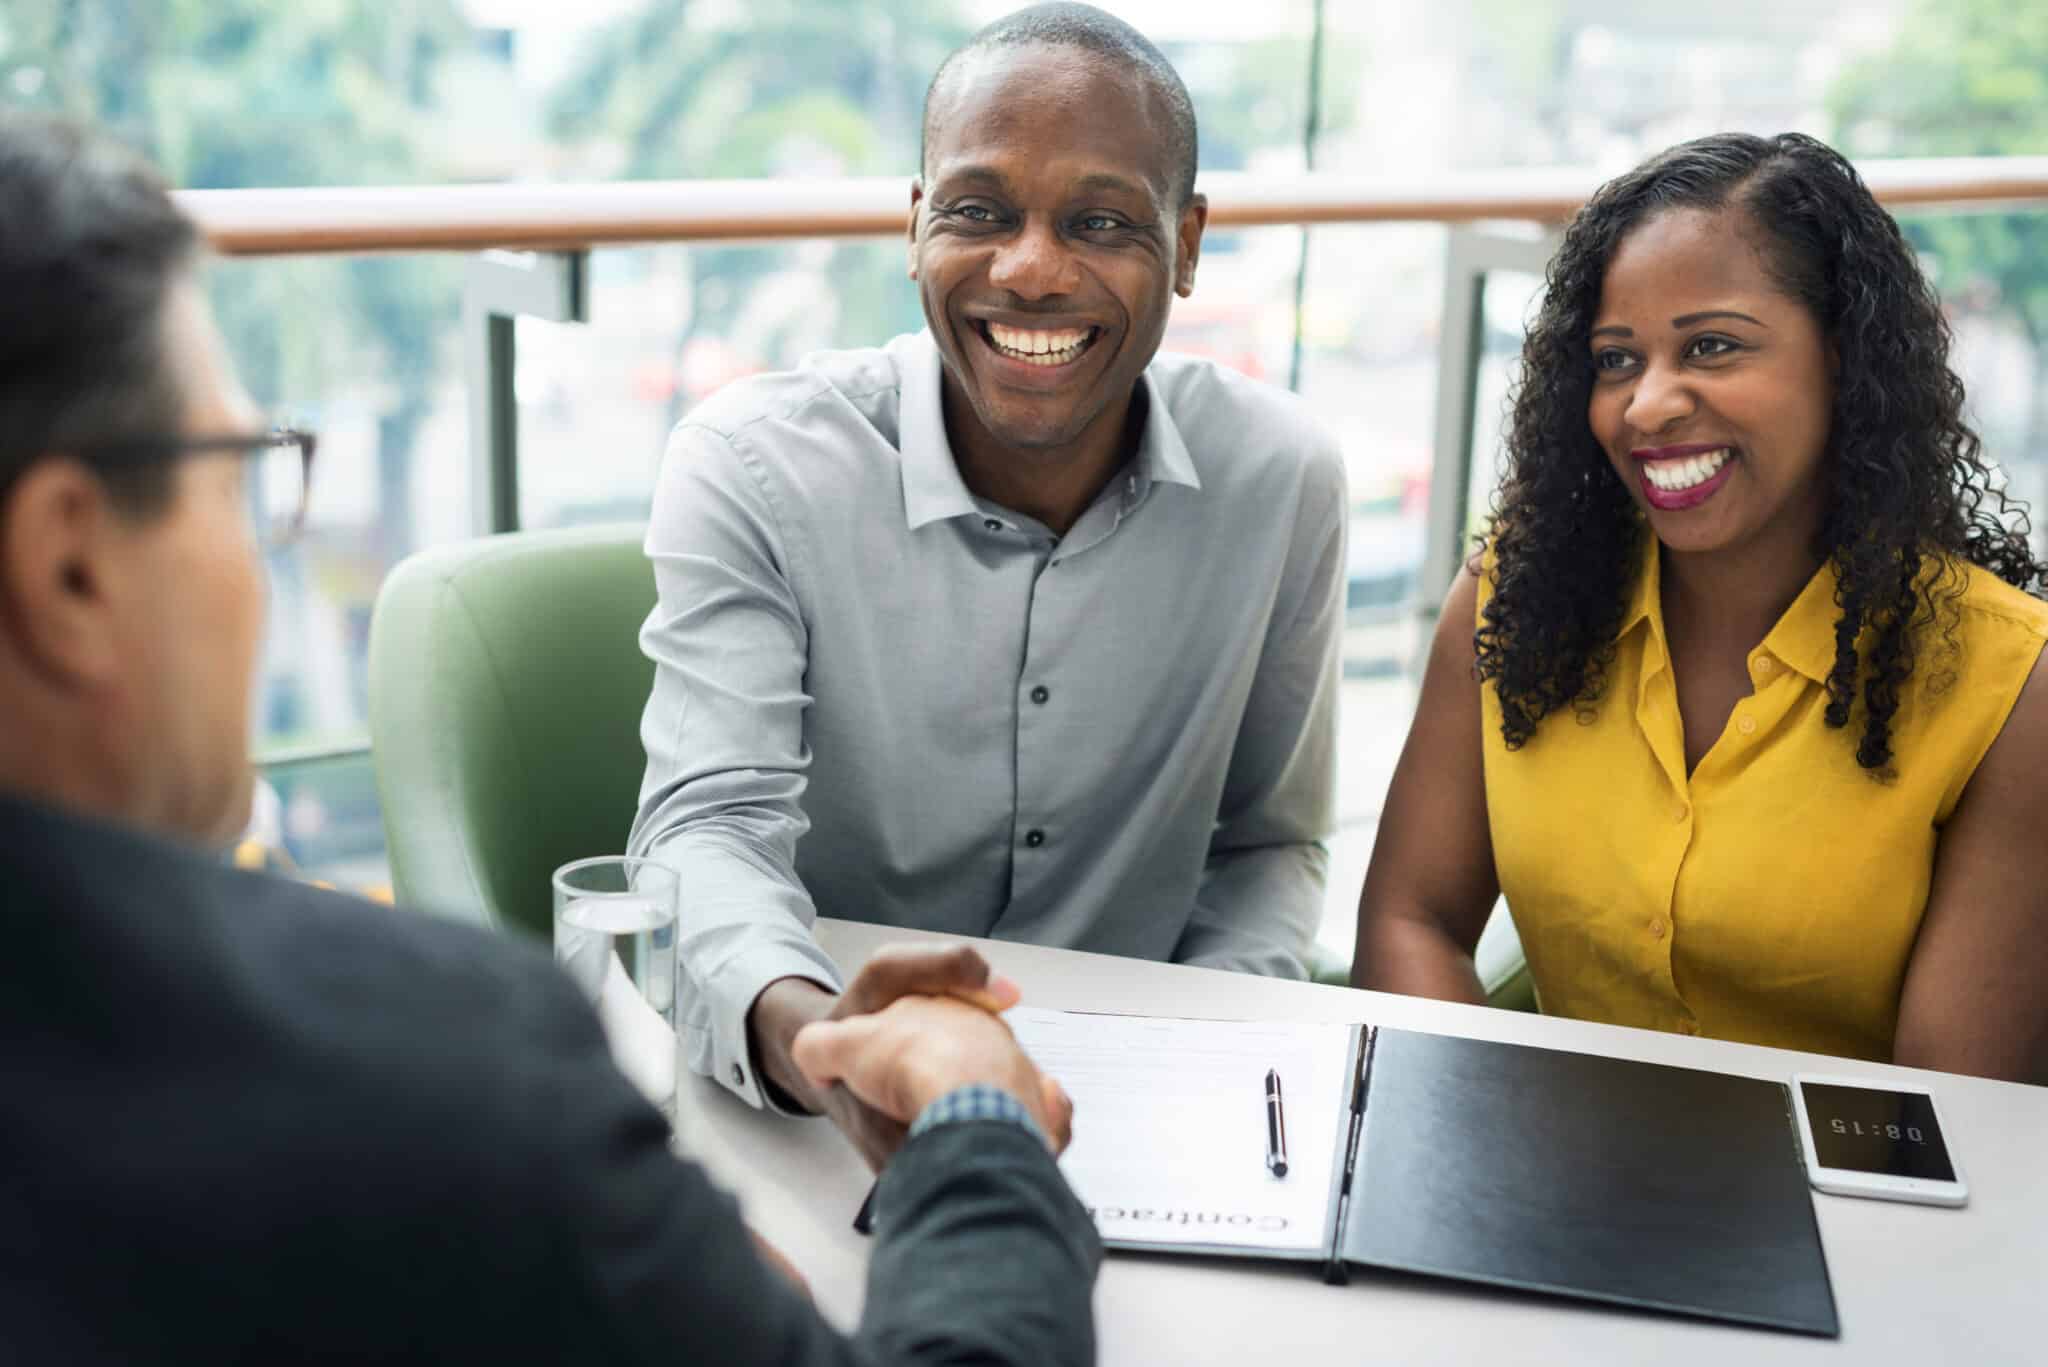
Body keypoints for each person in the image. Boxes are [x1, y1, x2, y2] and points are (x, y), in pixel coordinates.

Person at [0, 113, 1100, 1364]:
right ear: (69, 565)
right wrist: (975, 1132)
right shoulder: (442, 1088)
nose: (260, 551)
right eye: (236, 475)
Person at [629, 0, 1347, 1161]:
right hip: (812, 1090)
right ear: (914, 228)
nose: (1028, 269)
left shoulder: (1281, 479)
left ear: (1189, 241)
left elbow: (1269, 844)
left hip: (1151, 1110)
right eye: (977, 211)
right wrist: (823, 1041)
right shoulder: (751, 466)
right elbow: (706, 831)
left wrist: (1200, 1057)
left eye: (1100, 220)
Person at [1353, 131, 2048, 1084]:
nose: (1647, 405)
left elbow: (1955, 1105)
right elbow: (1410, 922)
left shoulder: (2011, 684)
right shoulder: (1514, 598)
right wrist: (1486, 1143)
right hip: (1542, 1184)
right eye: (1614, 359)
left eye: (1712, 346)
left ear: (1843, 359)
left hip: (1851, 1219)